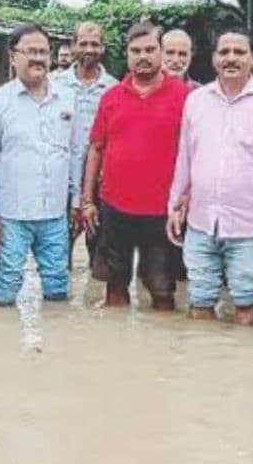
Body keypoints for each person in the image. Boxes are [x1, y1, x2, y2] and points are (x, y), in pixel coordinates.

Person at [167, 29, 253, 325]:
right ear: (214, 58)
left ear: (252, 58)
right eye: (224, 52)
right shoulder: (196, 101)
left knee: (246, 303)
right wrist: (174, 206)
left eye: (239, 52)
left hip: (250, 226)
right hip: (201, 222)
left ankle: (245, 355)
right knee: (199, 300)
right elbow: (185, 158)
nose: (231, 58)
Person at [80, 23, 190, 310]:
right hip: (114, 206)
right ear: (127, 55)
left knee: (162, 291)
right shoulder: (111, 97)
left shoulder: (184, 96)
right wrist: (87, 201)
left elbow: (195, 151)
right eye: (136, 51)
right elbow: (95, 148)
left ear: (161, 53)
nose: (143, 56)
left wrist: (187, 198)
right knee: (114, 289)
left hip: (163, 210)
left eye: (150, 50)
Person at [0, 25, 79, 305]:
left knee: (57, 285)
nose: (38, 58)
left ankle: (57, 332)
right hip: (13, 215)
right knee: (7, 285)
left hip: (55, 213)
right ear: (13, 57)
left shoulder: (67, 98)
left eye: (43, 52)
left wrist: (76, 202)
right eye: (30, 51)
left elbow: (75, 153)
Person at [54, 21, 117, 267]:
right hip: (62, 180)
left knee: (101, 256)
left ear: (103, 48)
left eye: (95, 44)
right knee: (58, 255)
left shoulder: (114, 88)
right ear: (73, 46)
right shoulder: (55, 85)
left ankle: (95, 292)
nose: (89, 49)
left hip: (101, 182)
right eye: (83, 44)